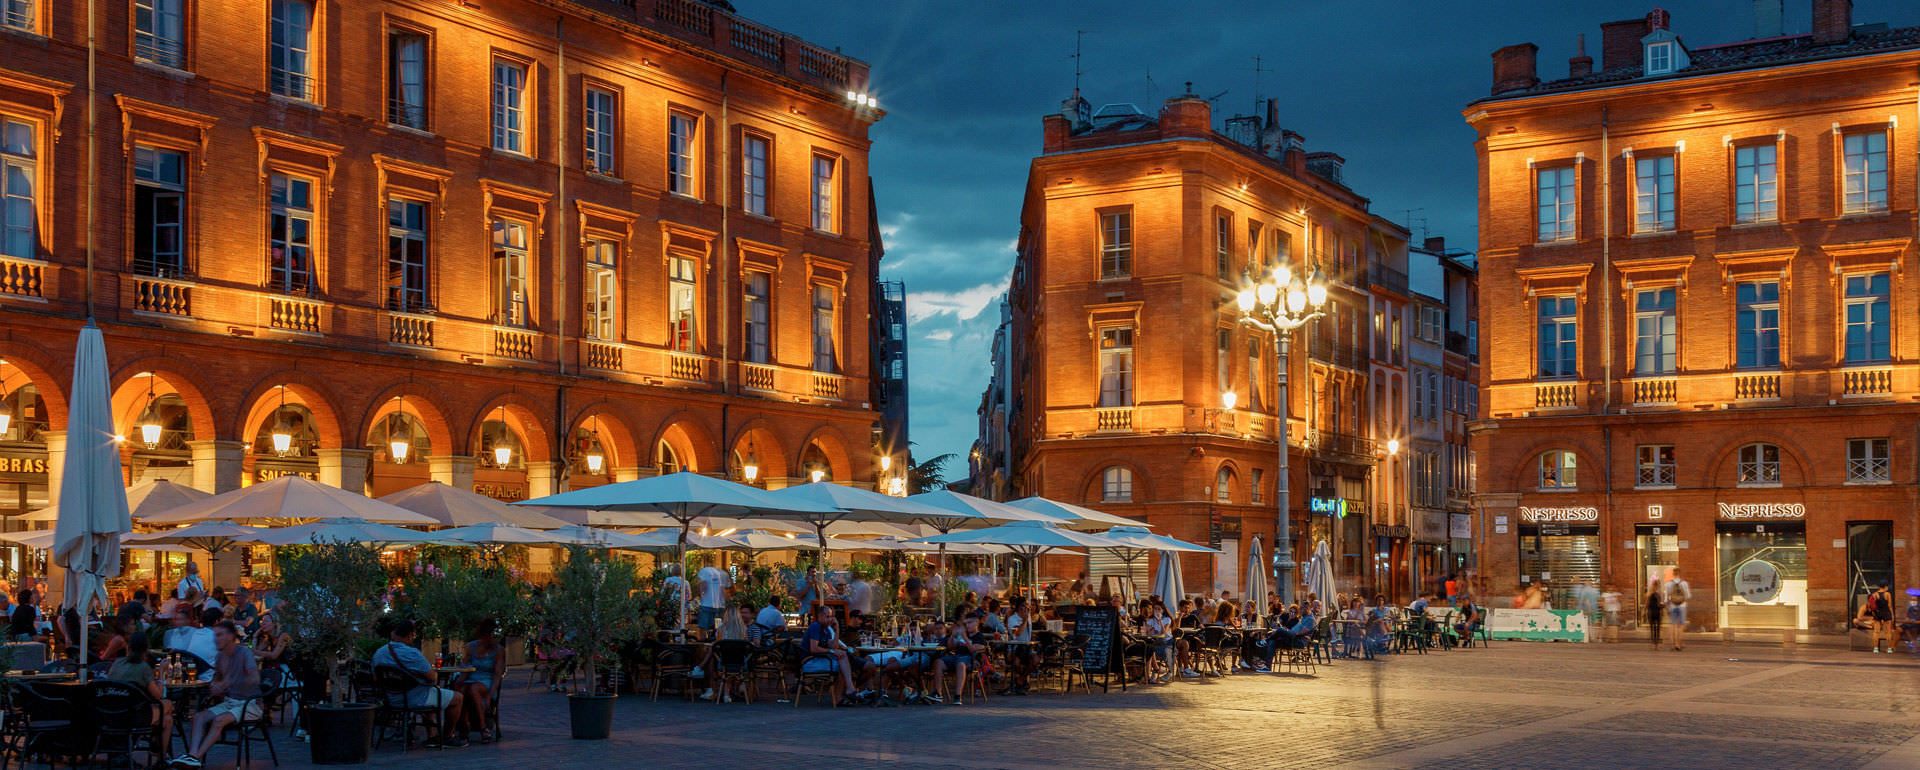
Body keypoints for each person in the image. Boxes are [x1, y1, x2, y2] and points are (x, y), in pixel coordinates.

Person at [172, 622, 262, 768]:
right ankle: (192, 755)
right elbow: (217, 678)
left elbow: (255, 679)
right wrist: (215, 686)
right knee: (199, 717)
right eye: (215, 635)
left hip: (249, 704)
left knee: (219, 720)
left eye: (219, 635)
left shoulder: (244, 653)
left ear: (230, 636)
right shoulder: (220, 656)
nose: (215, 639)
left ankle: (195, 757)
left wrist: (231, 681)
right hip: (230, 702)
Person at [370, 619, 466, 748]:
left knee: (428, 691)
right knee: (457, 698)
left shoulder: (379, 653)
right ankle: (448, 736)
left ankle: (432, 736)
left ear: (394, 634)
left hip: (391, 699)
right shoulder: (412, 654)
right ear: (410, 636)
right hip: (414, 698)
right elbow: (432, 678)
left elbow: (375, 677)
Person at [109, 632, 172, 749]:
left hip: (112, 714)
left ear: (128, 647)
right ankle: (161, 756)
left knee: (167, 720)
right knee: (167, 705)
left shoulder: (117, 663)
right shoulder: (143, 668)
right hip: (134, 716)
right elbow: (158, 696)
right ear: (146, 649)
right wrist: (162, 673)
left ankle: (157, 748)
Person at [800, 604, 864, 706]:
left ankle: (845, 692)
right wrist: (831, 652)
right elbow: (814, 648)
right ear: (820, 617)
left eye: (831, 616)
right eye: (828, 616)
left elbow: (834, 646)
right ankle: (847, 691)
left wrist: (837, 628)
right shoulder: (816, 626)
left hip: (820, 659)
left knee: (842, 660)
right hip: (809, 662)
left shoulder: (826, 630)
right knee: (842, 663)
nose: (830, 619)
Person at [456, 618, 505, 742]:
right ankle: (465, 725)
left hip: (486, 680)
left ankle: (482, 727)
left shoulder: (498, 650)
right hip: (471, 678)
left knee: (474, 688)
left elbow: (497, 674)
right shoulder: (471, 647)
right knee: (461, 690)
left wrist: (490, 695)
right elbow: (465, 668)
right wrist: (459, 682)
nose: (490, 638)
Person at [931, 613, 987, 704]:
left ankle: (958, 696)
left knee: (960, 664)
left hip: (971, 660)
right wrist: (952, 635)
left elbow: (973, 649)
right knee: (938, 662)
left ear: (977, 623)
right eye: (966, 623)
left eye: (970, 623)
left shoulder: (979, 636)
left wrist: (964, 637)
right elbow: (950, 647)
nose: (968, 625)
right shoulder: (963, 634)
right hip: (956, 656)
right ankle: (938, 693)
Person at [1142, 600, 1175, 684]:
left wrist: (1160, 621)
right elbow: (1147, 633)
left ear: (1163, 610)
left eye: (1159, 609)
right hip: (1155, 641)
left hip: (1167, 642)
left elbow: (1164, 633)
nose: (1156, 611)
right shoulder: (1151, 619)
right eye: (1155, 609)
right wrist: (1151, 627)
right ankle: (1150, 675)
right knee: (1149, 650)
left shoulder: (1167, 619)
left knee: (1158, 650)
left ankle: (1166, 671)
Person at [695, 561, 731, 632]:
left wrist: (699, 595)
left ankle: (703, 642)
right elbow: (726, 591)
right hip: (720, 607)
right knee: (718, 627)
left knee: (703, 627)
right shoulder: (724, 574)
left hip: (706, 605)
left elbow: (703, 586)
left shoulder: (704, 571)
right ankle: (717, 641)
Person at [1663, 568, 1690, 651]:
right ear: (1679, 574)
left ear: (1673, 574)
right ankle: (1679, 644)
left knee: (1673, 625)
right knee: (1681, 625)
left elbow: (1666, 598)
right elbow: (1688, 596)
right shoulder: (1684, 583)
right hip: (1682, 606)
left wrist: (1667, 604)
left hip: (1672, 605)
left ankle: (1673, 643)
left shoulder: (1668, 584)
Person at [1864, 583, 1896, 653]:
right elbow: (1890, 605)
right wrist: (1892, 615)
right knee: (1888, 632)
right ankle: (1889, 649)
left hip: (1877, 613)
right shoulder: (1887, 594)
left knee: (1876, 631)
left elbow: (1871, 605)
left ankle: (1875, 648)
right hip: (1886, 613)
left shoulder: (1875, 594)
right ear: (1885, 586)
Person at [1644, 579, 1666, 650]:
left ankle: (1653, 644)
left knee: (1652, 629)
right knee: (1657, 629)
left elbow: (1646, 604)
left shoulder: (1649, 593)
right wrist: (1663, 607)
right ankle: (1656, 645)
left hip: (1651, 612)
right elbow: (1659, 604)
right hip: (1657, 612)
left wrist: (1644, 612)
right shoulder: (1658, 594)